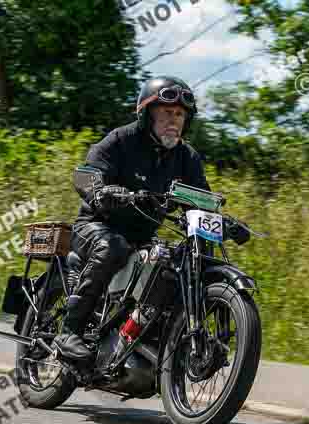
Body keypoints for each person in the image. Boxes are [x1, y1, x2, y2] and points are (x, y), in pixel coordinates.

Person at [53, 75, 211, 364]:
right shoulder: (122, 139)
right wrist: (100, 193)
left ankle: (152, 338)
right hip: (97, 225)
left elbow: (202, 200)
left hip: (142, 237)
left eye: (179, 115)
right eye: (166, 113)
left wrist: (221, 221)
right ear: (146, 114)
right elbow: (84, 174)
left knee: (177, 264)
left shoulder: (187, 158)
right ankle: (69, 332)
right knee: (112, 247)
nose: (173, 120)